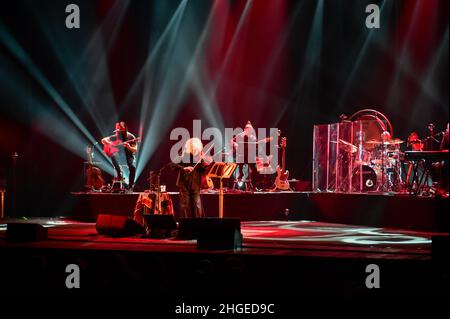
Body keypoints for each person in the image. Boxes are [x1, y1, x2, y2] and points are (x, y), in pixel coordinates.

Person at [171, 138, 211, 219]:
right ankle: (185, 225)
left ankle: (197, 225)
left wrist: (204, 161)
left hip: (196, 183)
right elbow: (173, 165)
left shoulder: (200, 156)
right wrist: (184, 168)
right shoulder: (183, 153)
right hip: (183, 183)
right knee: (184, 205)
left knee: (197, 205)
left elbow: (204, 171)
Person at [101, 121, 138, 190]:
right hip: (119, 156)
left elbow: (135, 150)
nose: (118, 132)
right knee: (113, 154)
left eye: (120, 129)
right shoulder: (116, 136)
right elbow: (103, 140)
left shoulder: (131, 137)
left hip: (128, 155)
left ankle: (130, 186)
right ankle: (119, 172)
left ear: (125, 128)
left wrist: (128, 147)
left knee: (133, 167)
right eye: (117, 130)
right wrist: (110, 144)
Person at [231, 121, 258, 186]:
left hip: (250, 157)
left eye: (250, 130)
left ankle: (253, 185)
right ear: (244, 129)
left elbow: (256, 148)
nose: (249, 131)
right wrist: (235, 144)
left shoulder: (253, 138)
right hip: (241, 156)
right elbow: (232, 141)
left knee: (255, 170)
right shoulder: (239, 135)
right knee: (240, 159)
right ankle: (241, 173)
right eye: (247, 129)